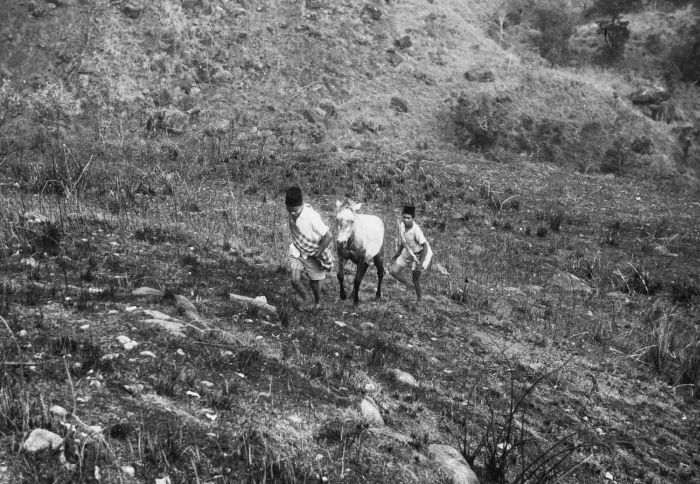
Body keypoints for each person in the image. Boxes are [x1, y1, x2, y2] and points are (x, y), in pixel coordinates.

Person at [285, 186, 334, 310]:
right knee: (295, 280)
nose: (292, 214)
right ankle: (307, 300)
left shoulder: (312, 217)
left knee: (315, 282)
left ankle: (317, 303)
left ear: (301, 205)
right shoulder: (292, 212)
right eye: (289, 210)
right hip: (297, 250)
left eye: (295, 211)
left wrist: (319, 253)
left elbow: (328, 236)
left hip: (313, 253)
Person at [390, 204, 433, 303]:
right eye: (404, 217)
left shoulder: (416, 230)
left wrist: (420, 263)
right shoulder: (401, 225)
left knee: (415, 279)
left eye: (408, 218)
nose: (406, 220)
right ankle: (408, 285)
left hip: (420, 254)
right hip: (408, 251)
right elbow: (403, 241)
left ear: (413, 218)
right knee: (394, 271)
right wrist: (396, 254)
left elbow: (425, 246)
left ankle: (419, 300)